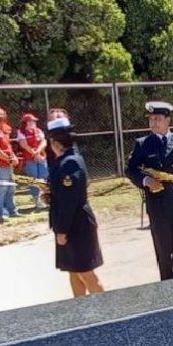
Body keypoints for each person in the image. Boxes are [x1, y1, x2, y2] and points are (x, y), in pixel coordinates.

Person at [126, 101, 173, 281]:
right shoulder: (143, 144)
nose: (153, 123)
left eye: (157, 119)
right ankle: (167, 288)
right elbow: (130, 169)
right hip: (157, 203)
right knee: (163, 249)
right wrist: (146, 180)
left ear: (168, 120)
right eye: (151, 119)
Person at [46, 117, 105, 297]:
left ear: (55, 142)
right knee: (73, 270)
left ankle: (110, 311)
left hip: (76, 225)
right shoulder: (64, 160)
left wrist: (62, 230)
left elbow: (69, 201)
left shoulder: (70, 162)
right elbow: (62, 194)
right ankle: (79, 310)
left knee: (86, 273)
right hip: (70, 223)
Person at [16, 113, 49, 210]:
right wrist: (34, 153)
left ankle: (46, 199)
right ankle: (37, 201)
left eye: (34, 121)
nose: (33, 122)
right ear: (25, 122)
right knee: (34, 179)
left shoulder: (38, 130)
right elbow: (24, 145)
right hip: (30, 159)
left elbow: (44, 142)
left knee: (44, 177)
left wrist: (38, 152)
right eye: (31, 121)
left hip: (41, 157)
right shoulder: (21, 132)